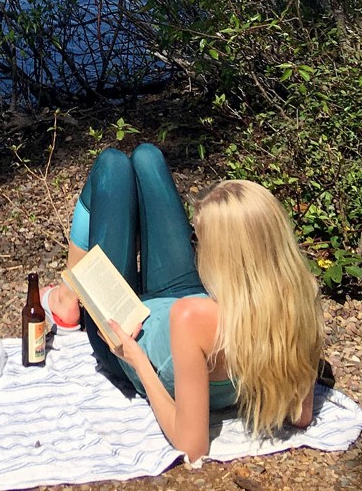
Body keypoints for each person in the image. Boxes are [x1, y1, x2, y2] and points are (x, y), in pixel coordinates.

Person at [42, 143, 324, 461]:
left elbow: (192, 446)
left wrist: (136, 360)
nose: (198, 246)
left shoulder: (193, 318)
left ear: (224, 255)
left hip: (122, 331)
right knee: (148, 157)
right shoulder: (299, 297)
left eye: (202, 239)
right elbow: (301, 415)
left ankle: (67, 296)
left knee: (112, 166)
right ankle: (68, 293)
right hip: (191, 297)